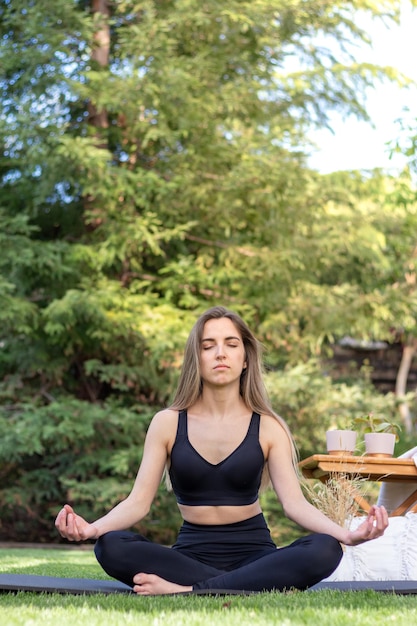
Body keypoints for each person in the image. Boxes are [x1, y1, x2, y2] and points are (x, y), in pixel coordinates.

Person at [55, 305, 388, 595]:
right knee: (111, 546)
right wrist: (92, 529)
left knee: (325, 549)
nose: (220, 353)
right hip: (188, 556)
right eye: (208, 345)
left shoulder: (268, 426)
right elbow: (137, 503)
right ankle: (245, 586)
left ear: (245, 359)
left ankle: (187, 591)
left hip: (255, 552)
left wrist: (347, 535)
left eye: (231, 344)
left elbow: (295, 505)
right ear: (196, 358)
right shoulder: (167, 423)